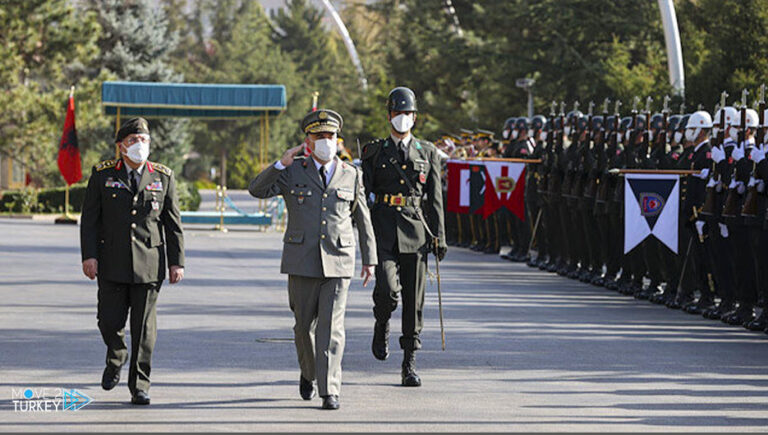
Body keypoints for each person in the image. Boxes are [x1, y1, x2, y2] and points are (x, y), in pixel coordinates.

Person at [249, 109, 376, 410]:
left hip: (339, 258)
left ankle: (329, 388)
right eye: (319, 136)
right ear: (307, 140)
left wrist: (370, 259)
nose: (325, 141)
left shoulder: (351, 173)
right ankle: (309, 373)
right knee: (303, 327)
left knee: (331, 329)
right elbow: (257, 190)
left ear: (337, 139)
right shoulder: (293, 170)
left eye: (330, 136)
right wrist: (281, 163)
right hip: (301, 260)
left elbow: (363, 218)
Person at [80, 117, 185, 406]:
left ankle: (139, 384)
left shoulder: (163, 176)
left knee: (144, 329)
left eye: (144, 141)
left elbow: (172, 224)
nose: (140, 145)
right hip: (111, 262)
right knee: (108, 321)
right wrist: (89, 256)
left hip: (149, 264)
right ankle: (116, 356)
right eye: (134, 141)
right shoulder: (102, 175)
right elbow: (90, 220)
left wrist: (177, 262)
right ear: (121, 146)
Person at [361, 86, 446, 387]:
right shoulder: (373, 152)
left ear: (414, 117)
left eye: (406, 113)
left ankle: (408, 363)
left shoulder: (428, 153)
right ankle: (381, 321)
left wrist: (439, 236)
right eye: (397, 113)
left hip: (416, 230)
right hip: (383, 228)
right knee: (387, 290)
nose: (402, 118)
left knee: (413, 301)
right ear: (389, 116)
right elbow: (364, 196)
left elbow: (435, 199)